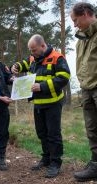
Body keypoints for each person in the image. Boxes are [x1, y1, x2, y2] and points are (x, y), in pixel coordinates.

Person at [11, 34, 70, 178]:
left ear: (43, 46)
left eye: (34, 50)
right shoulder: (33, 58)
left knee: (53, 134)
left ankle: (55, 163)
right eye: (30, 50)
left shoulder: (58, 57)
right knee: (41, 133)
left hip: (53, 103)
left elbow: (64, 77)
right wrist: (16, 66)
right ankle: (46, 158)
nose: (32, 53)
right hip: (38, 104)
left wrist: (42, 86)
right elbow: (24, 63)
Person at [70, 2, 97, 182]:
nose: (74, 24)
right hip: (86, 89)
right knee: (92, 130)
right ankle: (95, 165)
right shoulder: (81, 39)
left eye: (76, 20)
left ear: (86, 14)